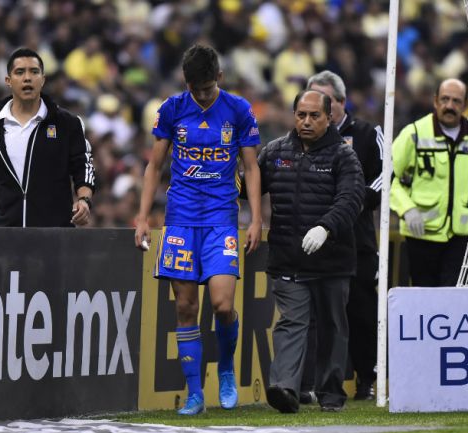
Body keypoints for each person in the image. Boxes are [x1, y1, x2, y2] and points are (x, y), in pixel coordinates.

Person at [133, 44, 262, 416]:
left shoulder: (238, 110)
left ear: (219, 78)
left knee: (223, 304)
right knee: (186, 308)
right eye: (195, 89)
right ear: (186, 82)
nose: (202, 95)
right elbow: (154, 167)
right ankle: (194, 395)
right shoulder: (173, 108)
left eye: (207, 88)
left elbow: (250, 168)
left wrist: (254, 219)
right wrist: (143, 217)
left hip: (222, 219)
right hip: (180, 220)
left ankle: (225, 368)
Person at [259, 90, 364, 413]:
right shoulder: (275, 152)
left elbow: (352, 199)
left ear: (329, 117)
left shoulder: (344, 156)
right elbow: (248, 186)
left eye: (314, 115)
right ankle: (284, 388)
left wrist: (326, 226)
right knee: (291, 323)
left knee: (332, 327)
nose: (306, 121)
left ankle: (331, 394)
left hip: (332, 260)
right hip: (288, 257)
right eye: (301, 115)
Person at [304, 70, 383, 401]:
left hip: (357, 239)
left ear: (340, 102)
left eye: (322, 102)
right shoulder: (302, 137)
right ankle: (312, 383)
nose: (313, 110)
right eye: (308, 103)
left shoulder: (366, 134)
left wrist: (348, 202)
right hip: (314, 242)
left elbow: (384, 180)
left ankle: (368, 377)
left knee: (362, 312)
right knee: (314, 316)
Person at [0, 47, 95, 227]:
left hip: (55, 235)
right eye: (20, 72)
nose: (27, 77)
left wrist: (84, 200)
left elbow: (83, 165)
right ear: (8, 81)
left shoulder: (68, 123)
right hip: (8, 235)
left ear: (42, 79)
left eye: (34, 72)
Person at [390, 78, 468, 287]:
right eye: (445, 99)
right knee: (424, 296)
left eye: (456, 101)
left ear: (466, 104)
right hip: (421, 235)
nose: (450, 106)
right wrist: (406, 209)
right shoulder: (413, 134)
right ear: (435, 101)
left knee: (454, 295)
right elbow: (388, 179)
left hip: (462, 236)